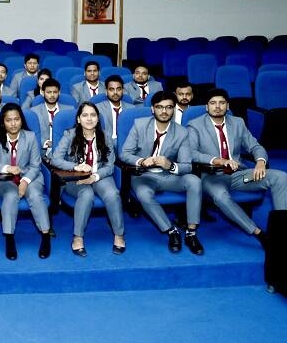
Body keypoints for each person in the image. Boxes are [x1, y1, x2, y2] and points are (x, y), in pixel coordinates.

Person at [188, 88, 287, 249]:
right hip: (212, 177)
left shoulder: (237, 123)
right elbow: (191, 153)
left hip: (240, 176)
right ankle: (259, 234)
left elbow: (255, 146)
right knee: (221, 196)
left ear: (227, 106)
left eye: (222, 103)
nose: (217, 106)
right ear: (207, 107)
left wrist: (260, 162)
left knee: (281, 177)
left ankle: (281, 230)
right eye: (213, 103)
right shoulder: (195, 125)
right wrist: (218, 161)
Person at [120, 91, 204, 255]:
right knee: (144, 194)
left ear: (174, 109)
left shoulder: (182, 132)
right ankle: (171, 230)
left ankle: (191, 232)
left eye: (169, 107)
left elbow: (187, 166)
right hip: (143, 176)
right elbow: (125, 154)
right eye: (159, 107)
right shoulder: (139, 125)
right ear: (153, 109)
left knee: (194, 181)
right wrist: (142, 161)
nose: (164, 111)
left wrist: (170, 165)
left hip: (168, 176)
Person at [50, 102, 125, 257]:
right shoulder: (69, 135)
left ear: (98, 118)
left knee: (112, 194)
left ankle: (119, 234)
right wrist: (75, 166)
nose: (89, 119)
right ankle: (78, 237)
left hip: (100, 175)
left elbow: (110, 165)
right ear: (78, 119)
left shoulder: (105, 136)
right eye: (85, 115)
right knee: (87, 194)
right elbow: (55, 159)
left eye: (93, 115)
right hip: (75, 178)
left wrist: (95, 176)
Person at [0, 103, 51, 260]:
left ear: (21, 120)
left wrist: (25, 181)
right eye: (9, 120)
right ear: (3, 122)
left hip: (30, 176)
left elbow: (36, 165)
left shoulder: (30, 137)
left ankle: (46, 235)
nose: (13, 124)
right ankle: (9, 237)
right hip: (5, 180)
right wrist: (8, 168)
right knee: (11, 196)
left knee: (35, 195)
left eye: (16, 119)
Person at [30, 78, 74, 156]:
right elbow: (31, 134)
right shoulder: (34, 112)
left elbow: (73, 133)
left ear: (59, 92)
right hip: (42, 154)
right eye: (49, 92)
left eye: (55, 92)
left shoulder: (69, 110)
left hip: (64, 151)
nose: (52, 95)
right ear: (43, 92)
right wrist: (45, 142)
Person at [95, 75, 134, 141]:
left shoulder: (131, 109)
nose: (115, 92)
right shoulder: (97, 109)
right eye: (111, 89)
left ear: (123, 90)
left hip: (126, 142)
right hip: (105, 143)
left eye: (118, 89)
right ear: (106, 91)